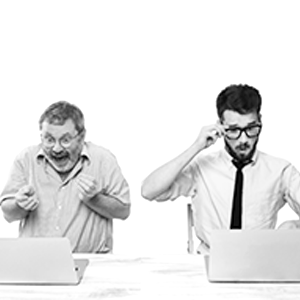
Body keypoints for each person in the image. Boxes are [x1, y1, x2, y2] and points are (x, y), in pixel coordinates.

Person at [141, 84, 300, 253]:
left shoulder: (280, 170)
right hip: (209, 261)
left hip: (258, 263)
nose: (243, 140)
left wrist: (293, 227)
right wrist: (196, 147)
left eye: (251, 129)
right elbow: (148, 191)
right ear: (220, 126)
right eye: (233, 130)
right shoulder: (201, 167)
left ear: (260, 121)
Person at [0, 101, 130, 253]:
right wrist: (19, 204)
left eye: (65, 140)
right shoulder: (26, 159)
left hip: (90, 265)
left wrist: (94, 199)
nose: (56, 148)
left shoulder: (103, 160)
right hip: (35, 263)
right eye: (48, 139)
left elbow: (123, 211)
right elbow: (8, 212)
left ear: (81, 137)